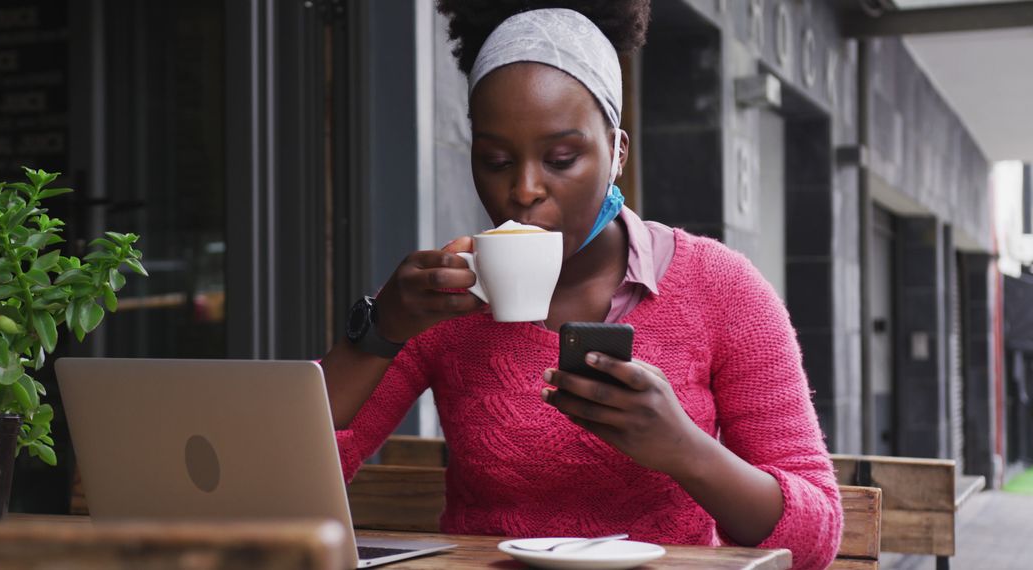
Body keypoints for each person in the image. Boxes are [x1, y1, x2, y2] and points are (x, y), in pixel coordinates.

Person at [320, 2, 841, 568]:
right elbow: (288, 477)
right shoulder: (444, 301)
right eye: (494, 160)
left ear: (617, 151)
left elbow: (816, 540)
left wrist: (686, 450)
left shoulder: (722, 289)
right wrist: (379, 332)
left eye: (562, 158)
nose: (523, 190)